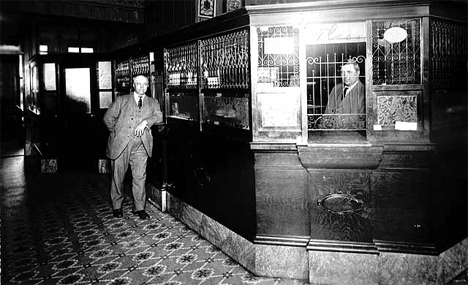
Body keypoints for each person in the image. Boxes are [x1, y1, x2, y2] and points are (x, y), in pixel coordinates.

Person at [103, 75, 163, 220]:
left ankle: (139, 208)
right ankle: (117, 207)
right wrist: (118, 133)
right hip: (121, 145)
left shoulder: (153, 102)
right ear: (133, 85)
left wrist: (145, 123)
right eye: (139, 84)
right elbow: (107, 119)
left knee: (140, 177)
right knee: (118, 177)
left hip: (141, 146)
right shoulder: (122, 100)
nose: (142, 87)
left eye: (145, 84)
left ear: (148, 86)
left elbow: (159, 117)